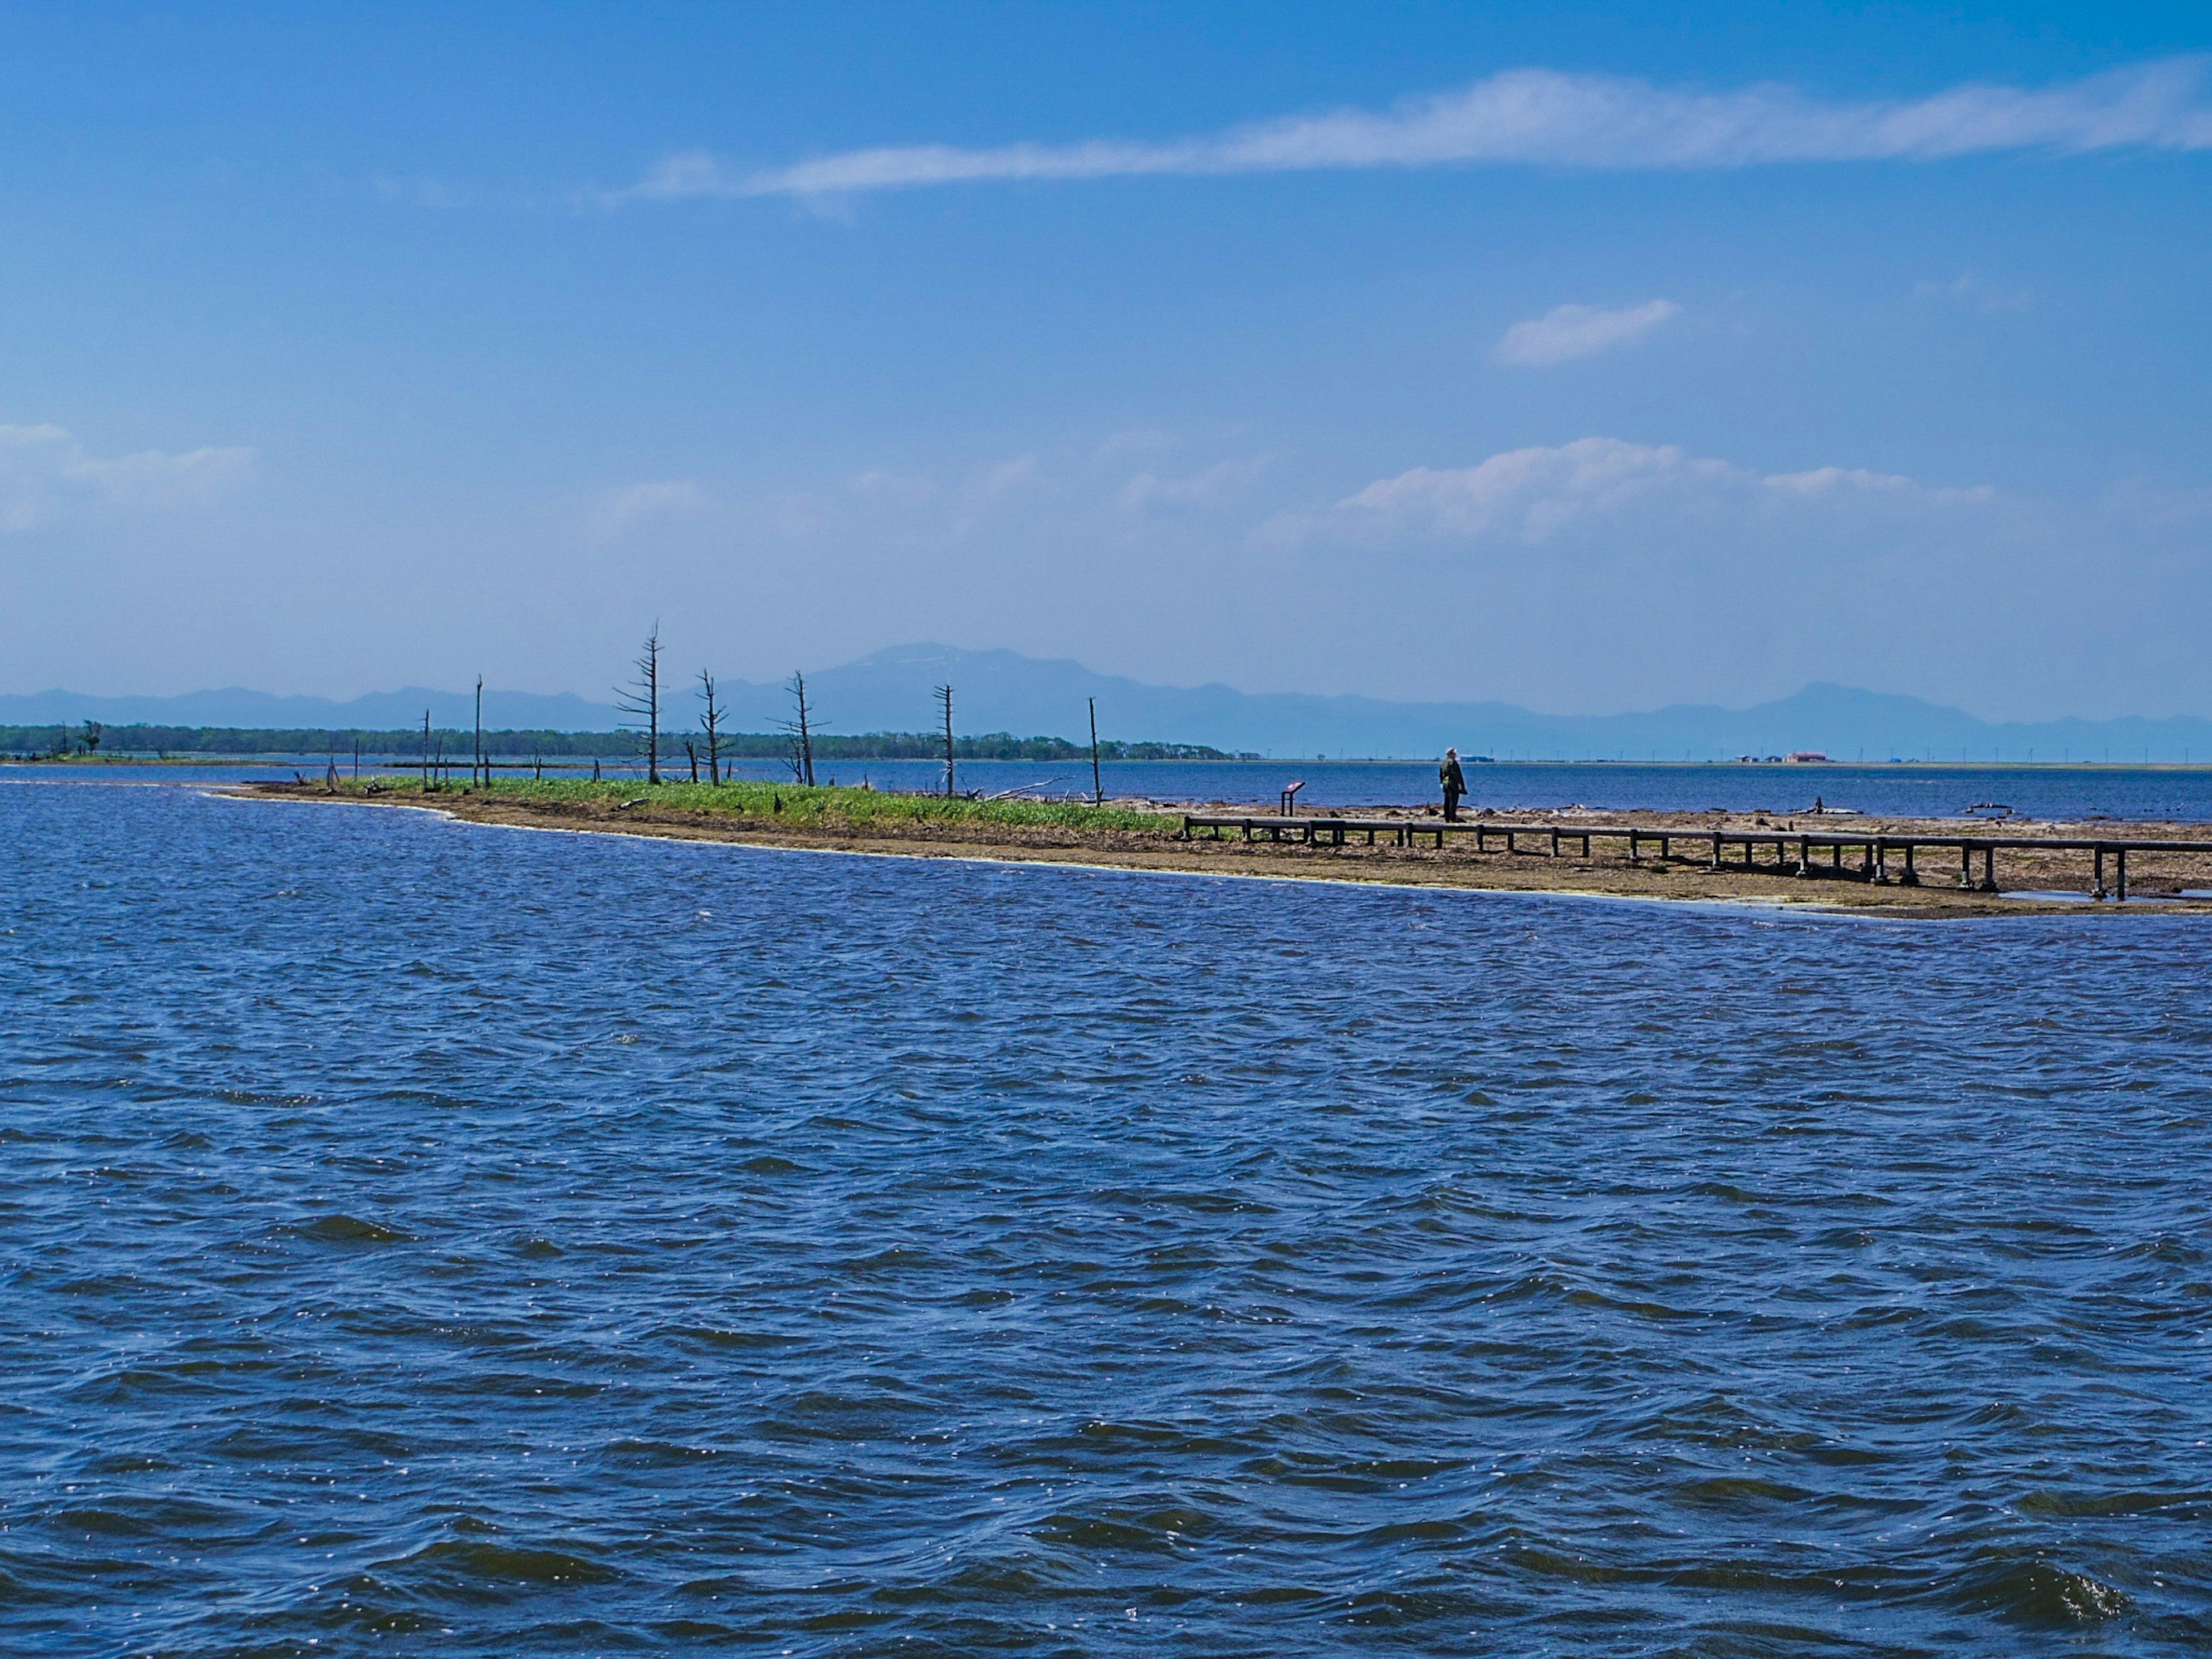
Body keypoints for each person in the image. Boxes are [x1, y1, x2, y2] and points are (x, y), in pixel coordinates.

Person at [1439, 747, 1467, 822]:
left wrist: (1442, 783)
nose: (1455, 755)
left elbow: (1441, 775)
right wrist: (1459, 784)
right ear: (1450, 754)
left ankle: (1447, 818)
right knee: (1453, 801)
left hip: (1445, 784)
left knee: (1447, 801)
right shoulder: (1453, 763)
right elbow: (1456, 774)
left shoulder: (1443, 763)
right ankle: (1452, 818)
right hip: (1452, 784)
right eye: (1454, 753)